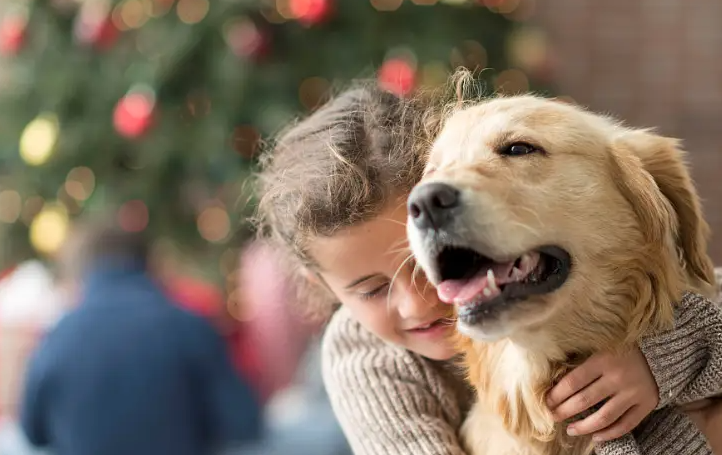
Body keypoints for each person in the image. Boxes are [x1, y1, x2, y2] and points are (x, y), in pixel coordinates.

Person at [255, 81, 722, 454]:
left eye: (518, 149)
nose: (424, 300)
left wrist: (660, 355)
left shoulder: (693, 304)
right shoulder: (369, 361)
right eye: (373, 290)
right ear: (330, 293)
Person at [18, 217, 263, 455]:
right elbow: (243, 423)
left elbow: (33, 433)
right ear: (150, 263)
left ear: (79, 271)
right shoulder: (188, 327)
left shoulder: (55, 339)